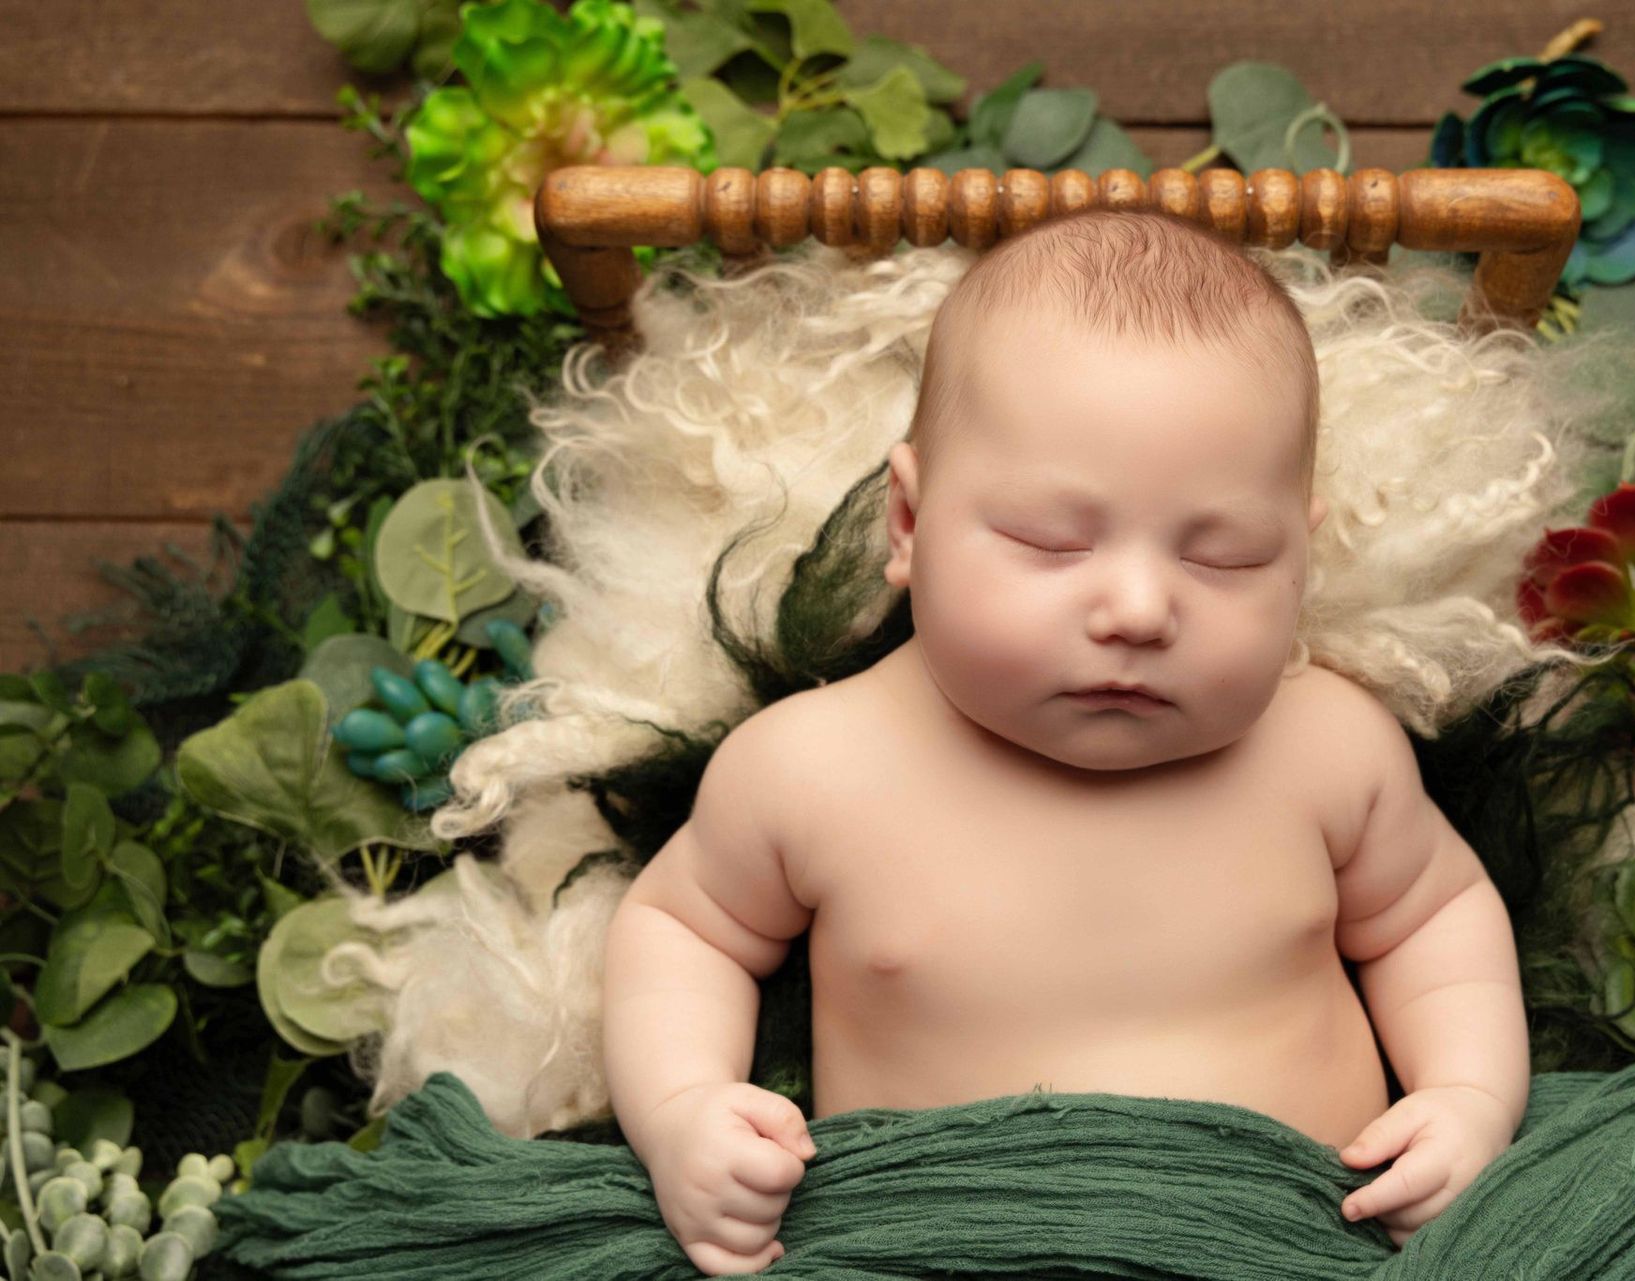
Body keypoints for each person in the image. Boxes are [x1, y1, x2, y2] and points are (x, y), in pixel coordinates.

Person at [600, 204, 1531, 1277]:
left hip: (1295, 1237)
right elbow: (684, 932)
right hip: (937, 1242)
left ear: (1301, 560)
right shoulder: (808, 768)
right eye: (1050, 540)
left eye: (1224, 556)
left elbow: (1437, 919)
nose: (1138, 608)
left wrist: (1469, 1096)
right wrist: (682, 1110)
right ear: (907, 526)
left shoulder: (1330, 748)